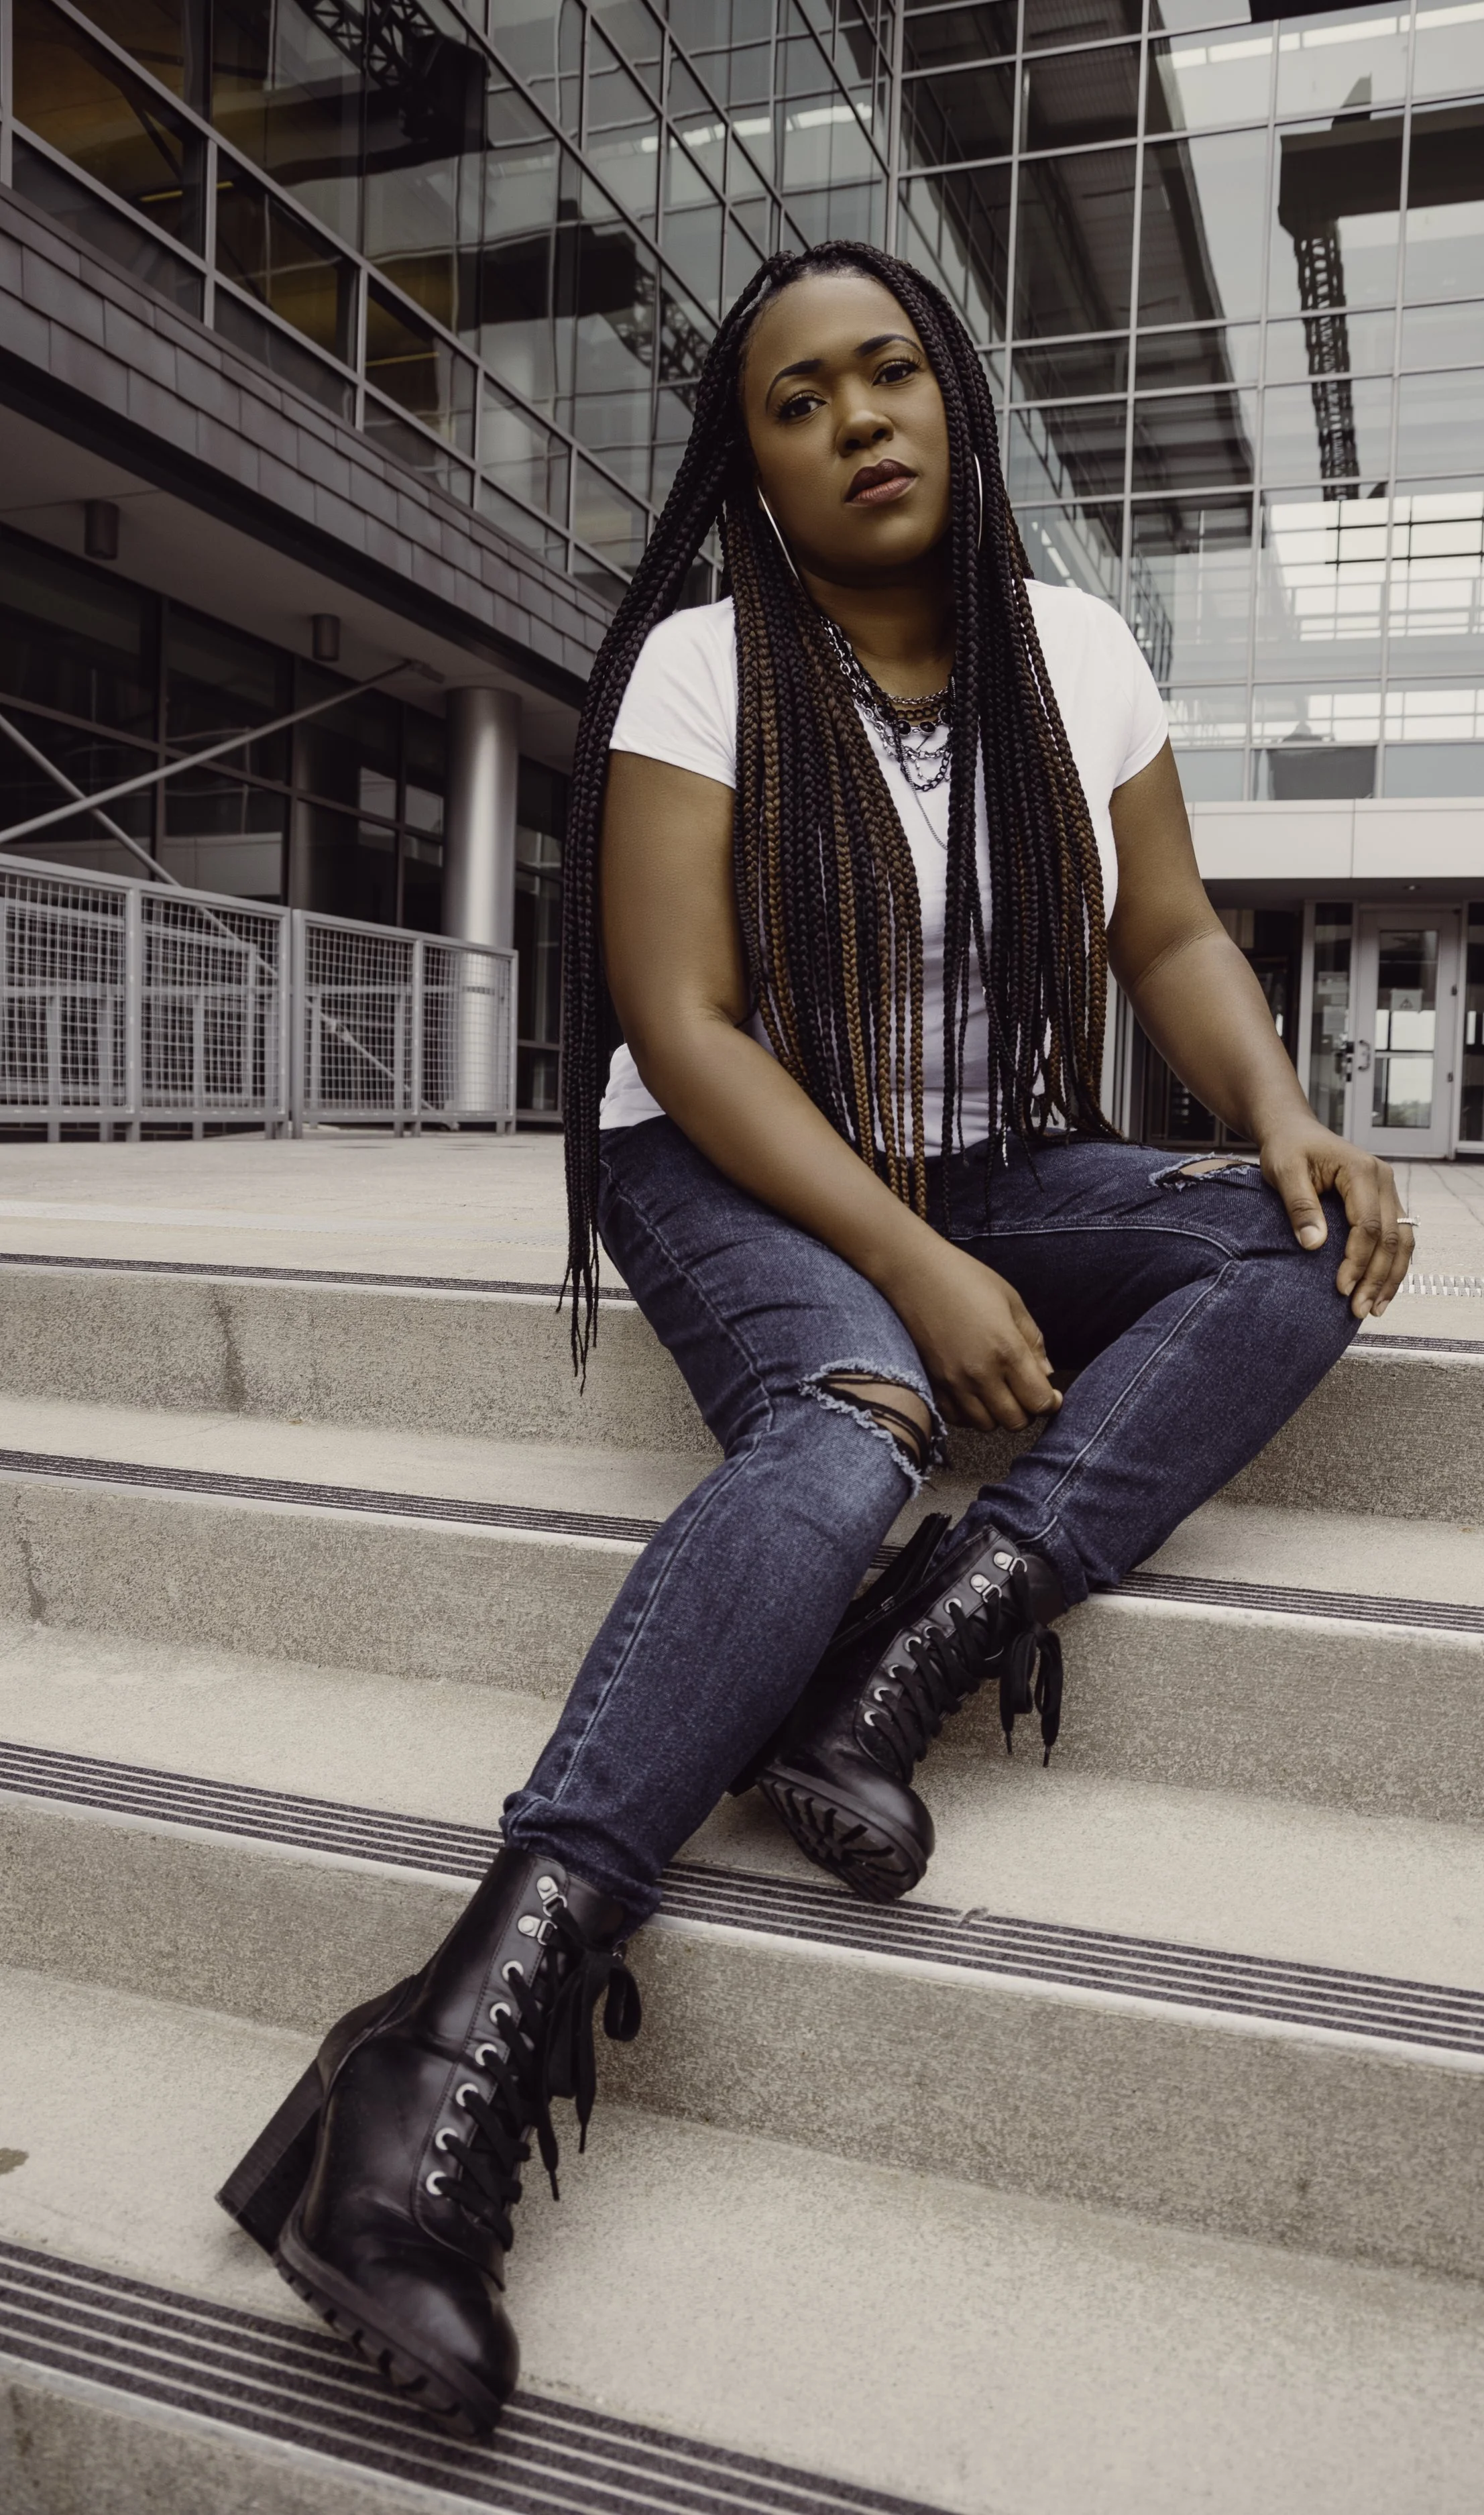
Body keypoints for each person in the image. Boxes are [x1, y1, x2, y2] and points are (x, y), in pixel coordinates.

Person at [217, 241, 1414, 2437]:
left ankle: (897, 1659)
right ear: (750, 465)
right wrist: (921, 1273)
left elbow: (1164, 928)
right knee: (850, 1409)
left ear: (955, 403)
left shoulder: (1073, 650)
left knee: (1286, 1246)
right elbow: (679, 1027)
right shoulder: (704, 667)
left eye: (892, 376)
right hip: (725, 1154)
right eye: (798, 399)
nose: (859, 419)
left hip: (980, 1160)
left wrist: (1282, 1117)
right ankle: (445, 2053)